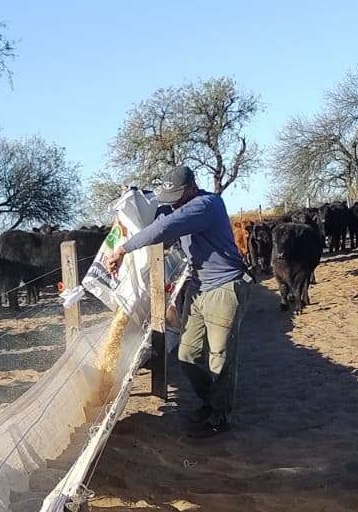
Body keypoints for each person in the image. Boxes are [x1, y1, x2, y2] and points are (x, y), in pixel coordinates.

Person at [103, 165, 250, 437]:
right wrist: (130, 201)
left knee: (220, 357)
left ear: (192, 187)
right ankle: (211, 401)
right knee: (187, 355)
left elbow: (164, 226)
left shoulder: (206, 205)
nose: (174, 203)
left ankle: (220, 416)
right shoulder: (180, 207)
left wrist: (123, 249)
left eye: (178, 197)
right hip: (198, 287)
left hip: (223, 288)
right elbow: (153, 214)